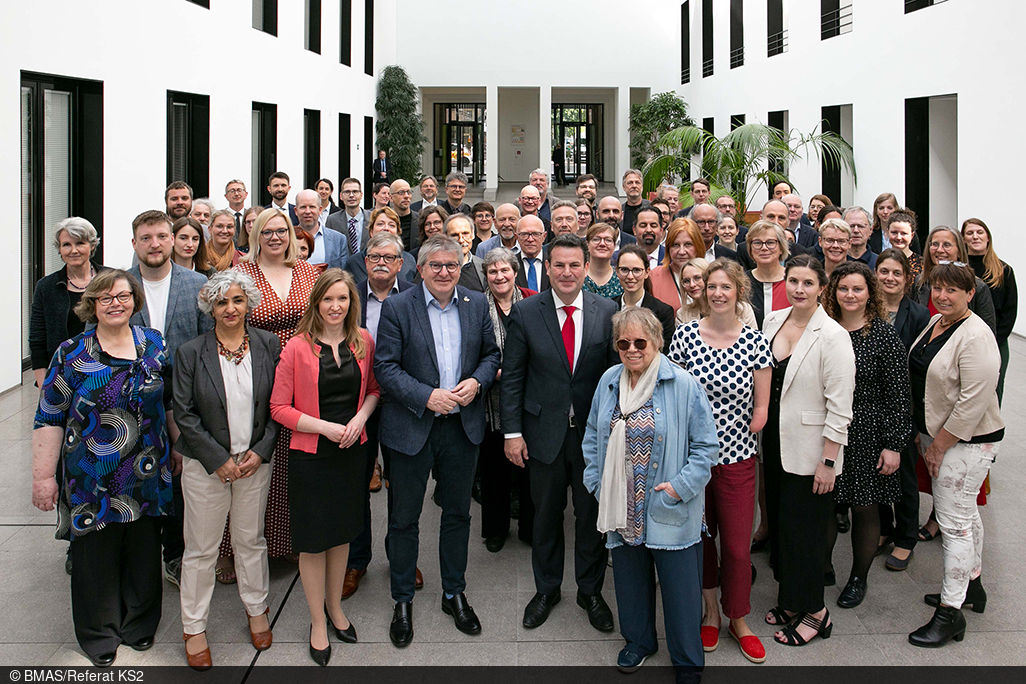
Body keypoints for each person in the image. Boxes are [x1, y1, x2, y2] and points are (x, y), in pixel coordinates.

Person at [32, 270, 175, 667]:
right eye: (106, 298)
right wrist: (42, 477)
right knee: (95, 555)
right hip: (90, 476)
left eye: (123, 296)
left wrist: (178, 449)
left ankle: (139, 624)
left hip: (147, 470)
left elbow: (168, 403)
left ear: (135, 301)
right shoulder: (71, 352)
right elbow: (49, 417)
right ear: (91, 304)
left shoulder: (154, 343)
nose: (116, 303)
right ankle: (99, 634)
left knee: (144, 550)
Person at [374, 235, 501, 647]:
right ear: (421, 269)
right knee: (404, 518)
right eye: (436, 265)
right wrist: (425, 396)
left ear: (461, 267)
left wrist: (477, 382)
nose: (444, 272)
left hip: (462, 428)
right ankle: (402, 599)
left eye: (451, 265)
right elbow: (385, 367)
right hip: (412, 427)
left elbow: (492, 356)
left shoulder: (476, 303)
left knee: (458, 514)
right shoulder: (398, 307)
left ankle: (453, 593)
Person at [582, 307, 717, 677]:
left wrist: (679, 488)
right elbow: (592, 435)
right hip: (621, 505)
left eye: (640, 342)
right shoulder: (609, 381)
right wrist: (597, 483)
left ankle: (687, 659)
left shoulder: (682, 384)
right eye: (623, 343)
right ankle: (639, 642)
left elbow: (706, 449)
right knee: (630, 583)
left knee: (681, 592)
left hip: (668, 506)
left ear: (657, 342)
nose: (632, 350)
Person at [500, 234, 619, 633]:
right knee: (546, 516)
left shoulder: (607, 310)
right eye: (559, 265)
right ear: (547, 268)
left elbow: (615, 378)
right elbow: (512, 377)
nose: (567, 273)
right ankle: (546, 589)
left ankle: (590, 591)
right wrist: (512, 433)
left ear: (586, 268)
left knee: (590, 518)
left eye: (574, 265)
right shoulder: (525, 311)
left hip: (592, 438)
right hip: (542, 434)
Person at [173, 271, 282, 670]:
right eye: (221, 302)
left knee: (250, 541)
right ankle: (193, 627)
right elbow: (184, 414)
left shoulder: (269, 344)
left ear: (249, 303)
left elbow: (279, 403)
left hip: (253, 463)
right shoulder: (190, 352)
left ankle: (257, 610)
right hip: (206, 467)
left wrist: (261, 450)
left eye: (237, 300)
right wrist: (217, 459)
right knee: (201, 549)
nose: (230, 309)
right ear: (210, 308)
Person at [270, 269, 379, 664]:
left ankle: (335, 608)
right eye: (328, 299)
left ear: (352, 303)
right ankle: (317, 620)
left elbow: (373, 390)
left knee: (342, 534)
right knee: (314, 541)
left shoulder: (363, 340)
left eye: (343, 299)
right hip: (311, 456)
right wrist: (325, 427)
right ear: (316, 302)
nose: (336, 306)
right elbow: (278, 408)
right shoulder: (296, 347)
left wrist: (360, 419)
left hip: (351, 452)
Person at [667, 259, 771, 663]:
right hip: (694, 460)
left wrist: (750, 421)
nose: (717, 293)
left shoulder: (755, 341)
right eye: (712, 287)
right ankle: (710, 611)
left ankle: (738, 617)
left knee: (739, 548)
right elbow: (673, 393)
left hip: (737, 459)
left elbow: (761, 409)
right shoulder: (686, 335)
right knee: (702, 540)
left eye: (726, 287)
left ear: (738, 291)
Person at [908, 262, 1003, 648]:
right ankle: (972, 588)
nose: (943, 296)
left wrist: (938, 446)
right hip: (941, 436)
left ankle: (950, 613)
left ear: (970, 294)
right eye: (938, 288)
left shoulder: (977, 336)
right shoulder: (937, 322)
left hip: (967, 442)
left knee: (955, 525)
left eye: (952, 290)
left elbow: (972, 403)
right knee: (966, 516)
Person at [761, 254, 855, 647]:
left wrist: (829, 461)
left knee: (806, 534)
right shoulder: (772, 320)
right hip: (773, 443)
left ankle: (816, 612)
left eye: (808, 283)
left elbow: (840, 407)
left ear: (821, 288)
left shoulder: (833, 336)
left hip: (812, 451)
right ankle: (790, 600)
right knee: (783, 529)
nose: (799, 289)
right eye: (793, 281)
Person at [228, 208, 321, 569]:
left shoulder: (308, 272)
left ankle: (288, 540)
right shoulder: (241, 275)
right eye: (267, 232)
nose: (275, 237)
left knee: (291, 459)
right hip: (255, 372)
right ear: (255, 237)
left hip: (302, 373)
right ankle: (235, 548)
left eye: (281, 230)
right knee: (252, 453)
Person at [821, 262, 913, 608]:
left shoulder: (884, 335)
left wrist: (893, 444)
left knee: (864, 508)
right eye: (843, 288)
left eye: (857, 289)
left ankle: (858, 578)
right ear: (833, 292)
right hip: (830, 429)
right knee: (827, 505)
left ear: (869, 293)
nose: (850, 295)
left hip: (868, 431)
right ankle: (823, 566)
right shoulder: (824, 329)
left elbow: (899, 394)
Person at [128, 210, 212, 588]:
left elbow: (208, 346)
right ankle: (140, 556)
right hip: (132, 405)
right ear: (134, 244)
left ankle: (175, 555)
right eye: (146, 238)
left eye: (162, 236)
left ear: (173, 240)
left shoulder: (196, 284)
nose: (155, 244)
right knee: (138, 480)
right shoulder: (120, 285)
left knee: (180, 480)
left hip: (183, 399)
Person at [344, 232, 416, 600]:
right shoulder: (348, 298)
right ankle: (356, 560)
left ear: (401, 264)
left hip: (402, 403)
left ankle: (400, 557)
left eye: (389, 257)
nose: (381, 263)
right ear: (365, 261)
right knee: (357, 483)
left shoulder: (416, 298)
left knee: (402, 484)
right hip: (357, 406)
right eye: (374, 257)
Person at [874, 249, 930, 571]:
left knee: (905, 474)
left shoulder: (920, 315)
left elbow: (920, 368)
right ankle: (884, 528)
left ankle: (906, 537)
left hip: (903, 405)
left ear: (907, 278)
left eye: (897, 273)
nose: (890, 278)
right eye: (884, 271)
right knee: (876, 471)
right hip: (870, 405)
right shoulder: (867, 309)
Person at [479, 247, 536, 552]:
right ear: (486, 276)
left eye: (504, 270)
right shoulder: (477, 305)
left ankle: (529, 527)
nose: (499, 276)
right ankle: (496, 529)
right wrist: (495, 372)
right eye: (492, 271)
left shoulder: (532, 299)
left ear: (515, 272)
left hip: (528, 396)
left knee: (528, 467)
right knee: (494, 470)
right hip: (490, 402)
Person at [29, 217, 107, 390]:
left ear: (92, 245)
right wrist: (44, 386)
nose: (73, 250)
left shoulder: (110, 280)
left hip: (107, 374)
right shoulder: (46, 287)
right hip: (61, 377)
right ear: (59, 249)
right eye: (66, 245)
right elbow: (37, 339)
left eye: (80, 243)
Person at [962, 218, 1017, 401]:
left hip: (996, 342)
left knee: (994, 392)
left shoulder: (1004, 270)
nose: (975, 237)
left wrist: (993, 340)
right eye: (970, 233)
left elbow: (1009, 311)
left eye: (980, 232)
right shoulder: (959, 270)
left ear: (988, 237)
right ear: (963, 239)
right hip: (963, 340)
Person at [915, 226, 997, 337]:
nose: (939, 250)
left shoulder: (977, 287)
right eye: (935, 244)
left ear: (959, 251)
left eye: (947, 245)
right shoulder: (920, 283)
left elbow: (987, 333)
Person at [613, 245, 675, 352]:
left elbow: (664, 353)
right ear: (617, 272)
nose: (630, 276)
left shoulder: (663, 312)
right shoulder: (608, 308)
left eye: (637, 270)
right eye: (624, 270)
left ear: (647, 272)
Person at [344, 207, 418, 283]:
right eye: (380, 224)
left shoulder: (409, 260)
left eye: (391, 225)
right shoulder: (354, 263)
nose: (386, 228)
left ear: (397, 233)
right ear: (371, 232)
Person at [649, 218, 703, 314]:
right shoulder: (654, 277)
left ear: (698, 246)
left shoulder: (710, 274)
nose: (681, 251)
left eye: (688, 244)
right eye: (675, 245)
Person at [744, 220, 790, 329]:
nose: (764, 248)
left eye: (770, 242)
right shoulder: (742, 282)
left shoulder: (793, 281)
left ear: (781, 248)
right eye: (757, 243)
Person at [444, 213, 487, 292]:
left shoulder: (484, 267)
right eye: (454, 235)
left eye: (465, 233)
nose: (461, 240)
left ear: (473, 234)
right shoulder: (436, 268)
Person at [583, 223, 623, 299]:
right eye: (596, 239)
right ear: (587, 244)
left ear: (614, 246)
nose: (602, 244)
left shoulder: (621, 278)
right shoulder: (578, 276)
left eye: (608, 240)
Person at [886, 210, 923, 282]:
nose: (898, 237)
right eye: (894, 232)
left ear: (912, 235)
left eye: (903, 233)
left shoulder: (922, 264)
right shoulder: (881, 260)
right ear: (888, 233)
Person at [675, 258, 711, 325]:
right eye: (686, 281)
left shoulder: (728, 309)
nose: (692, 285)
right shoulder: (683, 314)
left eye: (697, 278)